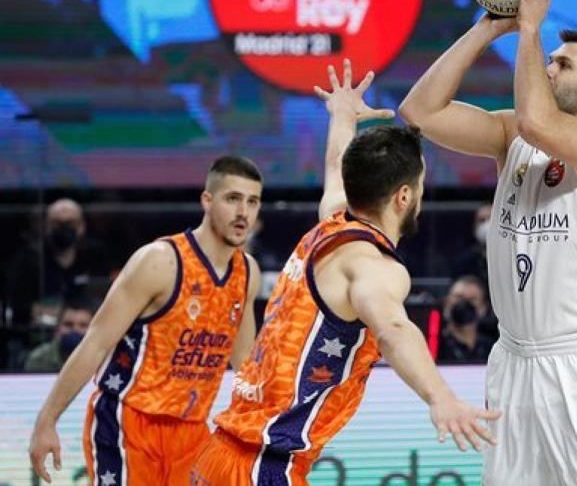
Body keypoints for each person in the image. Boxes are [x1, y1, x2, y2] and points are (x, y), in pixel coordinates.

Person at [189, 61, 499, 486]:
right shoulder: (373, 266)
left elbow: (337, 163)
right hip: (262, 466)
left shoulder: (332, 221)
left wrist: (342, 115)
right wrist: (441, 398)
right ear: (404, 196)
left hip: (224, 454)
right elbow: (392, 328)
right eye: (421, 189)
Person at [400, 0, 577, 485]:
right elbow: (419, 111)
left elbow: (539, 121)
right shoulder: (512, 135)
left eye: (564, 65)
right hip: (513, 360)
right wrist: (487, 28)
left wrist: (531, 27)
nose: (549, 68)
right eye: (549, 61)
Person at [28, 157, 265, 485]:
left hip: (191, 428)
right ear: (207, 201)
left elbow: (243, 366)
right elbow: (96, 342)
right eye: (233, 199)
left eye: (252, 202)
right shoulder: (159, 261)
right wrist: (47, 419)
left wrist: (259, 422)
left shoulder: (248, 273)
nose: (243, 212)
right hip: (128, 420)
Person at [4, 198, 111, 326]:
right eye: (57, 224)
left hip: (85, 329)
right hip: (40, 334)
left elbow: (104, 298)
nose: (64, 229)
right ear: (46, 226)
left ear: (82, 226)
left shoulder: (95, 255)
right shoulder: (29, 259)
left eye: (70, 223)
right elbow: (17, 306)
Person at [24, 297, 95, 373]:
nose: (75, 330)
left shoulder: (101, 360)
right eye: (68, 324)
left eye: (83, 325)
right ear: (57, 329)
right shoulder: (39, 359)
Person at [438, 274, 495, 363]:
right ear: (446, 303)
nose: (464, 304)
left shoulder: (494, 349)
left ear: (483, 308)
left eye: (472, 299)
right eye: (458, 297)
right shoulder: (434, 346)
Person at [449, 204, 492, 282]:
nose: (487, 225)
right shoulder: (463, 262)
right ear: (474, 226)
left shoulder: (510, 259)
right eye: (482, 220)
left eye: (491, 220)